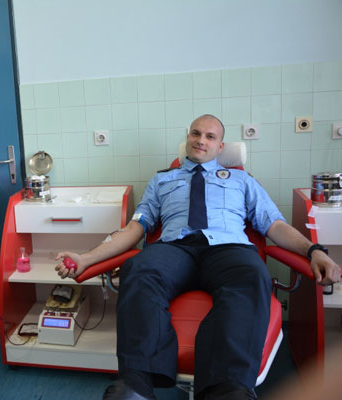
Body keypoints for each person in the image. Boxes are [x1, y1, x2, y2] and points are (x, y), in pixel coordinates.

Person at [55, 114, 341, 400]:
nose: (201, 140)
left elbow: (274, 225)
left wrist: (313, 250)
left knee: (253, 274)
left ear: (221, 146)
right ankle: (136, 383)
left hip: (228, 249)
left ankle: (227, 387)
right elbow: (134, 228)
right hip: (175, 249)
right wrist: (86, 258)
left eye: (210, 136)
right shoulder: (161, 180)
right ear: (188, 138)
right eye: (196, 133)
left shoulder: (242, 180)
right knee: (138, 268)